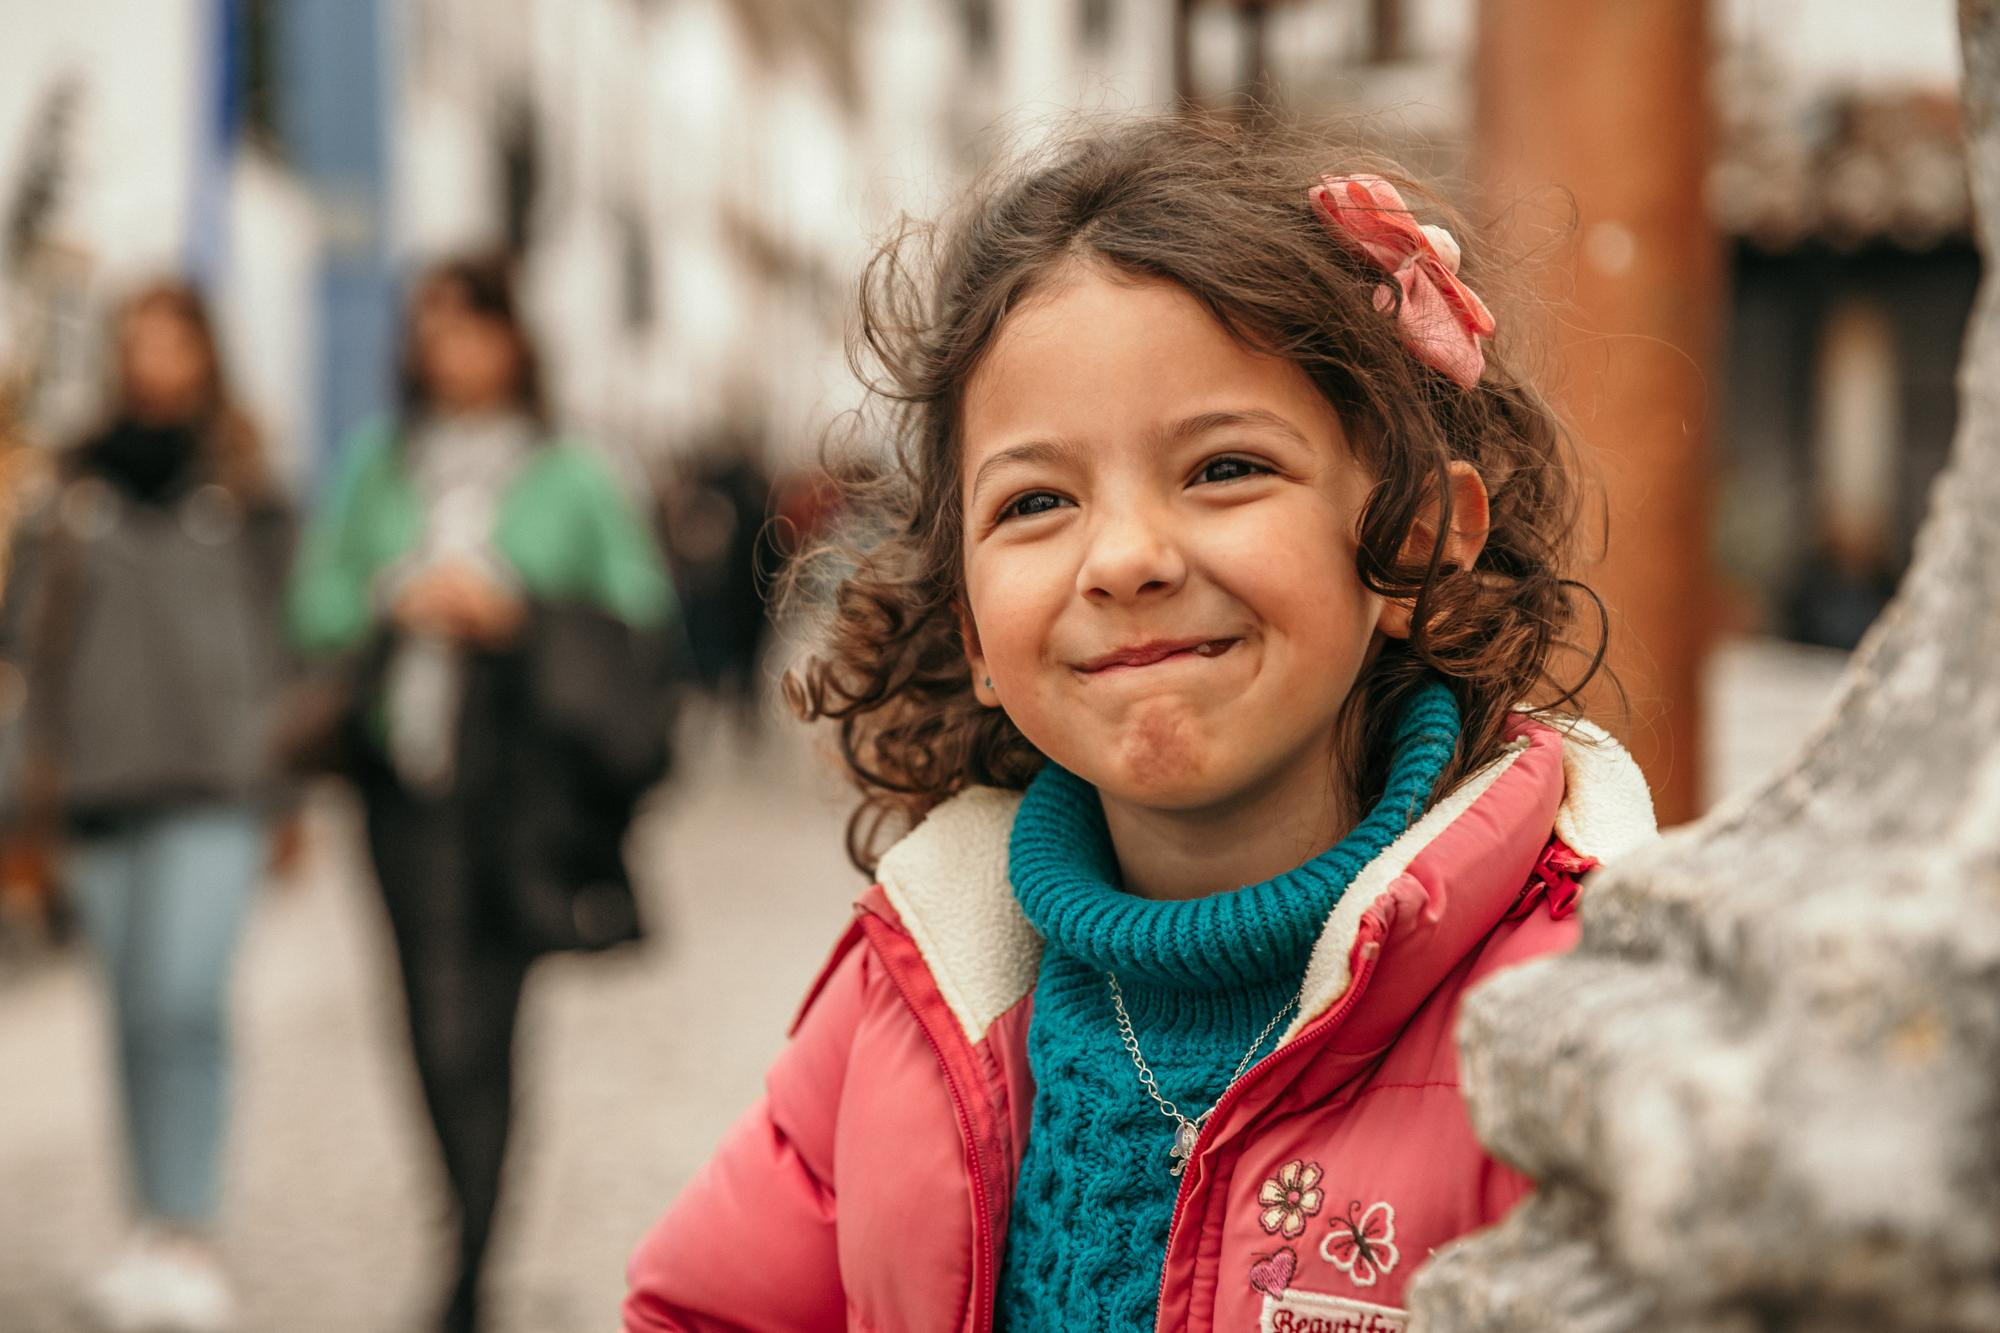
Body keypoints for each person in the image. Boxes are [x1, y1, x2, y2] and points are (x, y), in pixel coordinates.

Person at [624, 117, 1665, 1332]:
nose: (1122, 558)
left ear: (1417, 538)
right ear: (971, 630)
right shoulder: (918, 987)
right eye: (1035, 501)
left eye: (1223, 469)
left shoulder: (1574, 1018)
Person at [288, 255, 676, 1333]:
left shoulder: (571, 473)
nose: (447, 349)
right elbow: (314, 600)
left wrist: (514, 611)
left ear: (512, 338)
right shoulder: (380, 466)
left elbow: (641, 610)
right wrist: (395, 593)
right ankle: (458, 1214)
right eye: (430, 329)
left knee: (484, 1021)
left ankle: (471, 1260)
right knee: (421, 1014)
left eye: (467, 327)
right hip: (398, 784)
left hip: (515, 793)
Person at [0, 280, 293, 1332]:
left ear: (205, 353)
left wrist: (280, 761)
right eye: (139, 342)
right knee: (128, 1010)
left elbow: (290, 632)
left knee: (185, 999)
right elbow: (28, 640)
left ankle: (189, 1229)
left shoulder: (246, 488)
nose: (154, 362)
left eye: (174, 342)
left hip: (215, 788)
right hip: (98, 788)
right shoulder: (70, 492)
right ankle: (145, 1226)